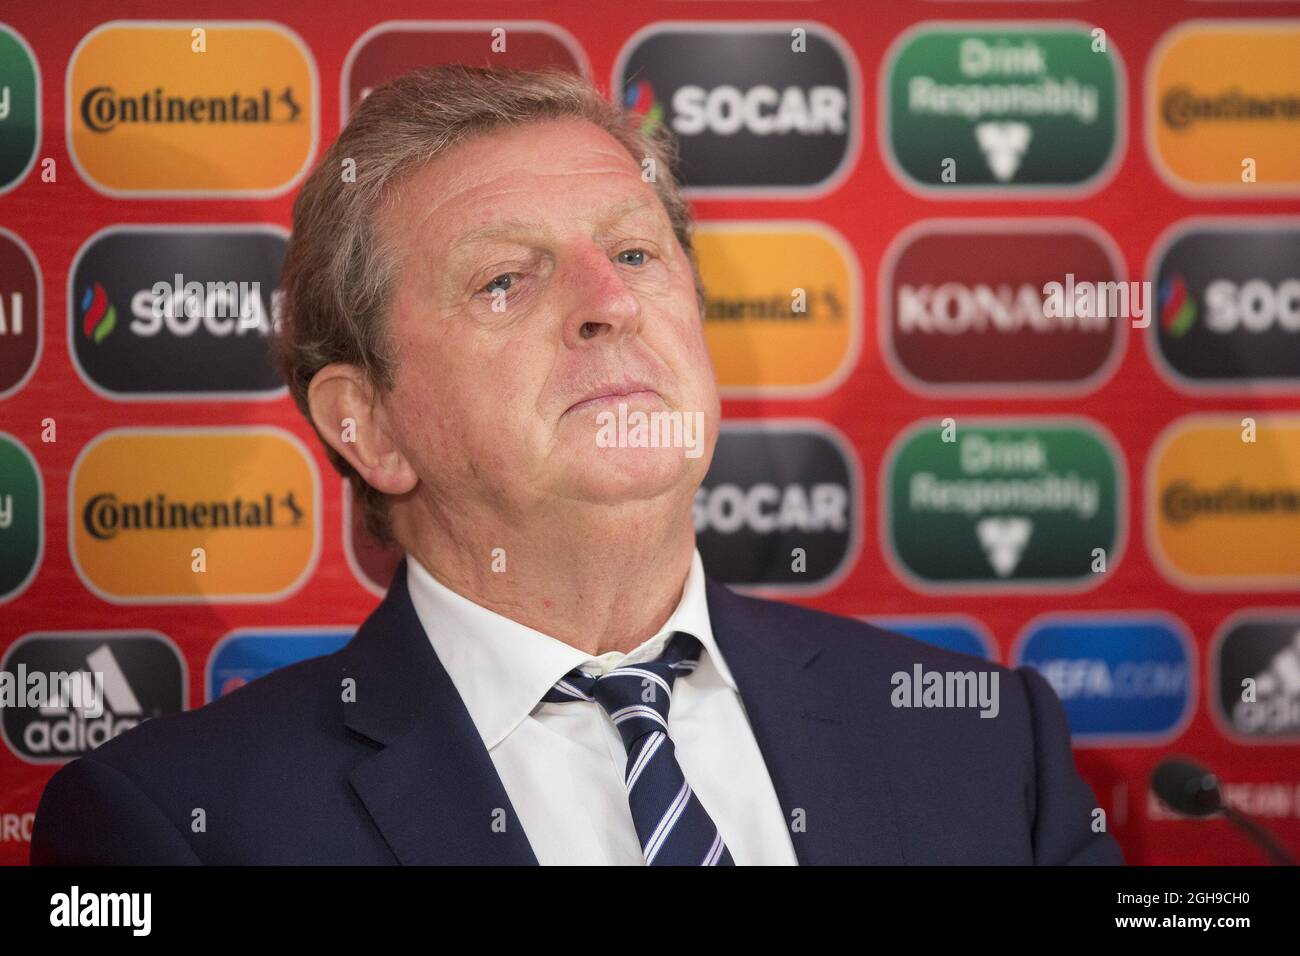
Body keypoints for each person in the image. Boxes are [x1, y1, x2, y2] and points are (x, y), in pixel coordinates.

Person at [31, 65, 1122, 866]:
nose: (609, 302)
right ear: (370, 425)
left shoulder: (984, 739)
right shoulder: (174, 825)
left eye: (637, 253)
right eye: (507, 278)